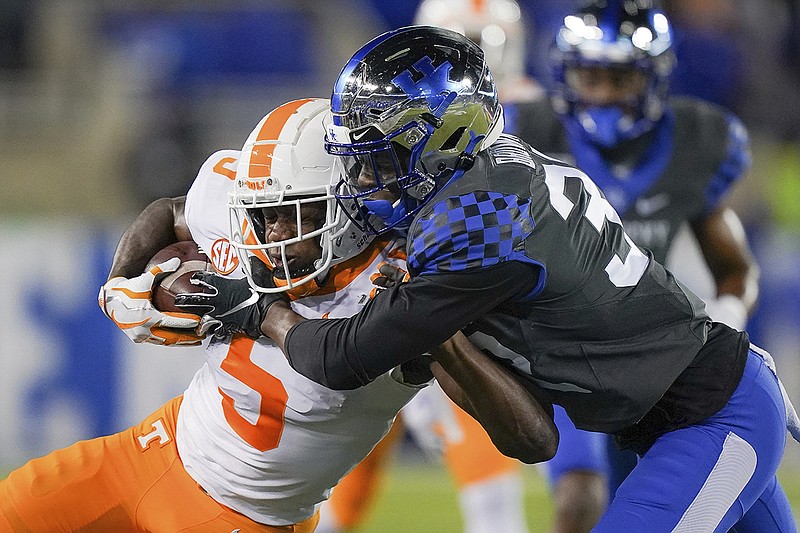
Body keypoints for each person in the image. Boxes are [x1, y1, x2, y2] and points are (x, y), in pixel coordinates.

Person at [180, 26, 800, 532]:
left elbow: (340, 359)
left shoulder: (476, 226)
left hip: (715, 416)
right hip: (691, 408)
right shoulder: (493, 176)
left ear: (445, 136)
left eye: (381, 156)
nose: (363, 179)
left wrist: (257, 310)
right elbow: (533, 437)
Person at [0, 98, 557, 532]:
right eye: (265, 217)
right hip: (153, 450)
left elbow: (531, 437)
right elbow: (171, 212)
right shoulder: (244, 206)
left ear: (349, 206)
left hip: (250, 515)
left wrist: (441, 340)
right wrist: (121, 283)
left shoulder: (404, 284)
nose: (275, 237)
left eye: (296, 217)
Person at [316, 2, 606, 532]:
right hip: (422, 295)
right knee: (352, 442)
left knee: (525, 468)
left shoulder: (539, 117)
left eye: (487, 38)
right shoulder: (405, 123)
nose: (481, 52)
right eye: (467, 39)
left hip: (487, 310)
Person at [502, 0, 761, 505]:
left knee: (641, 494)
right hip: (559, 349)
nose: (601, 94)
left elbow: (734, 267)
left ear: (653, 77)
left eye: (619, 79)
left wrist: (728, 316)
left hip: (649, 355)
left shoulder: (696, 140)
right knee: (583, 495)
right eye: (589, 77)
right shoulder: (526, 134)